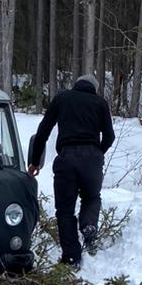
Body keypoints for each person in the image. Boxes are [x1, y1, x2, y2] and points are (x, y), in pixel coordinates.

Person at [27, 73, 115, 267]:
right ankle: (89, 225)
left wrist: (35, 162)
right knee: (91, 197)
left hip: (66, 159)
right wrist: (97, 152)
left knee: (65, 210)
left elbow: (43, 132)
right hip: (92, 159)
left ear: (76, 85)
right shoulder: (100, 103)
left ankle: (72, 257)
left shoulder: (61, 99)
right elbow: (109, 136)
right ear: (94, 88)